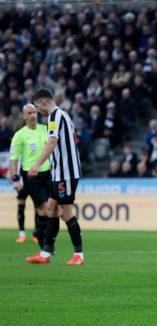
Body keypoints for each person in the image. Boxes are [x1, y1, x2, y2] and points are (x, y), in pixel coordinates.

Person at [25, 88, 84, 265]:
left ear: (43, 102)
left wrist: (37, 164)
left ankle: (79, 255)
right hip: (59, 173)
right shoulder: (62, 116)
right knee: (51, 208)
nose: (37, 111)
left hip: (66, 173)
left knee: (65, 213)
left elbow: (52, 142)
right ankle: (45, 254)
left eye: (37, 107)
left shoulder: (55, 116)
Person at [8, 104, 51, 248]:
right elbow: (14, 158)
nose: (33, 115)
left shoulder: (45, 130)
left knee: (50, 209)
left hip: (49, 174)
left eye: (34, 112)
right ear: (24, 116)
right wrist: (15, 178)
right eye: (29, 113)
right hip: (31, 176)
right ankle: (44, 244)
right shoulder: (20, 135)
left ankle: (39, 233)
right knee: (43, 208)